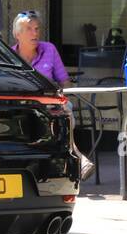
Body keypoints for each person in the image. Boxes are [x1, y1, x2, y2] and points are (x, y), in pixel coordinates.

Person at [12, 10, 94, 180]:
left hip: (51, 103)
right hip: (24, 108)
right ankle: (78, 158)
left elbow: (64, 81)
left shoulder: (49, 49)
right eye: (29, 29)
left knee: (65, 112)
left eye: (37, 29)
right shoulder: (10, 57)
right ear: (17, 34)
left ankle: (70, 160)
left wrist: (64, 99)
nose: (35, 33)